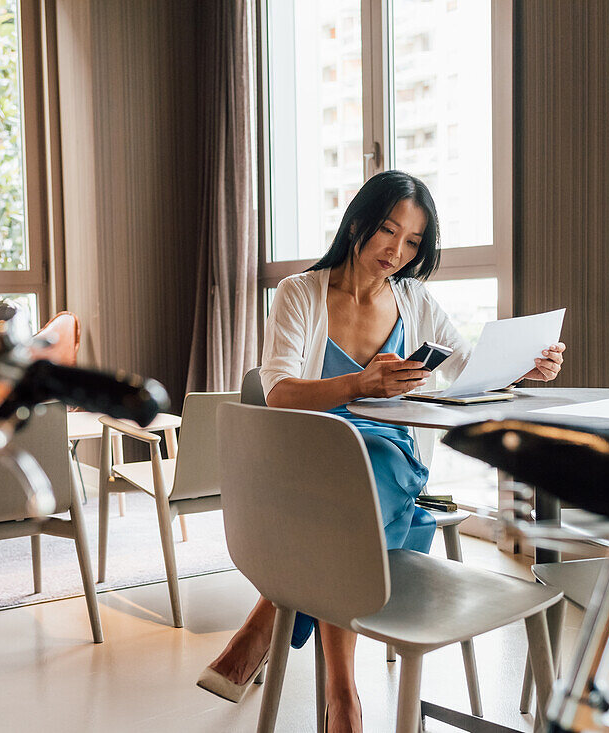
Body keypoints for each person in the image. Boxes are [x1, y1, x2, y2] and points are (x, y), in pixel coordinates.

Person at [196, 170, 566, 732]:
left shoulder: (415, 300)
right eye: (388, 231)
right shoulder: (301, 293)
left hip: (392, 460)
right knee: (345, 485)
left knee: (369, 467)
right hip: (311, 463)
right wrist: (356, 385)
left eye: (413, 241)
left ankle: (289, 641)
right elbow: (279, 394)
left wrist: (528, 368)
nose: (397, 250)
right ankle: (337, 688)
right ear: (357, 224)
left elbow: (470, 372)